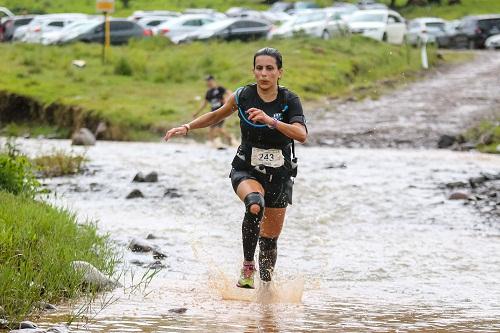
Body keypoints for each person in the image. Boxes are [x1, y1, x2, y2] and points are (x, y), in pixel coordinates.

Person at [164, 47, 307, 289]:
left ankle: (266, 295)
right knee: (254, 204)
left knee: (269, 242)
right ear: (253, 71)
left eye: (269, 69)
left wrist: (271, 121)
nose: (264, 74)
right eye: (259, 68)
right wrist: (187, 127)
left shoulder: (289, 100)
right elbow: (217, 115)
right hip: (245, 169)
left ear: (279, 72)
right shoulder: (243, 96)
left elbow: (301, 134)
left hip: (280, 175)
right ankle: (247, 265)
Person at [193, 75, 233, 143]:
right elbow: (204, 104)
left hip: (221, 112)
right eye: (206, 81)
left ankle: (228, 140)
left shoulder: (220, 88)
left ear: (212, 81)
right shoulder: (208, 92)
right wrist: (196, 113)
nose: (207, 83)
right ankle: (212, 144)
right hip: (213, 113)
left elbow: (230, 93)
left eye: (208, 81)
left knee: (218, 129)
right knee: (211, 129)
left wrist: (227, 100)